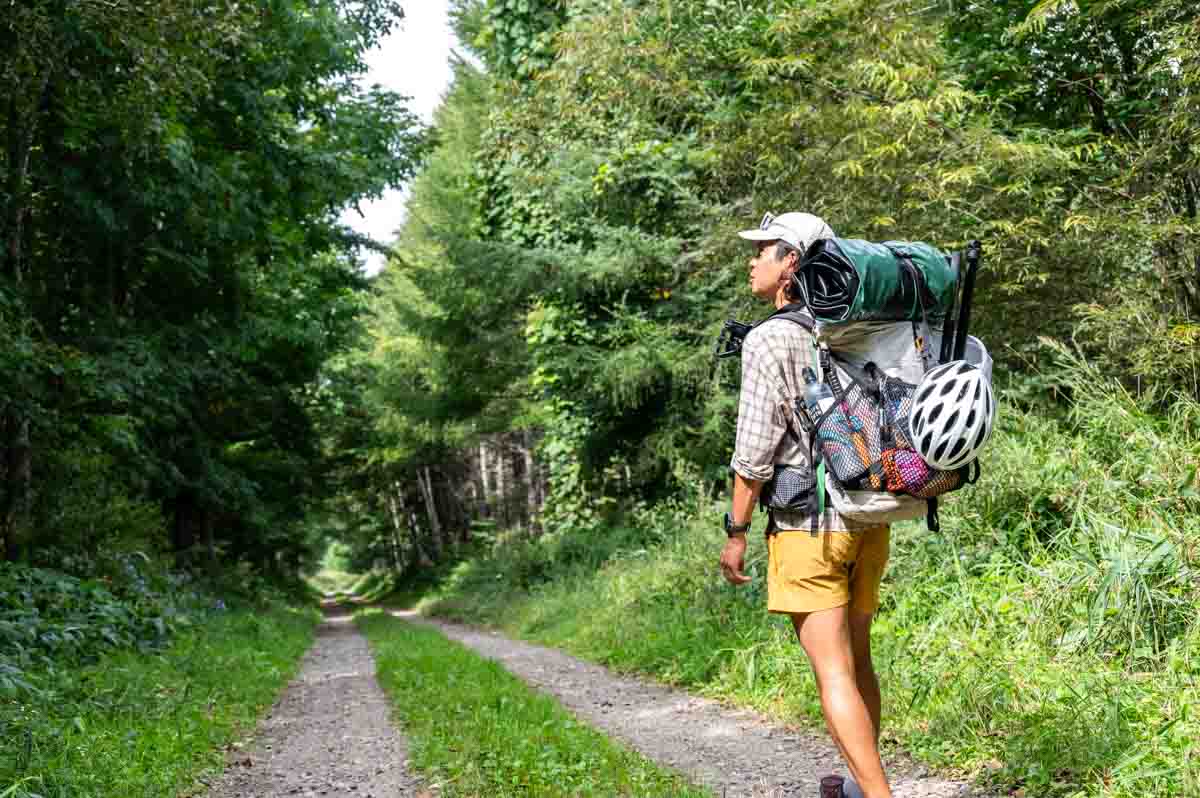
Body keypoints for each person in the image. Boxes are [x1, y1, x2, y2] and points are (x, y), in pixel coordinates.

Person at [719, 211, 892, 798]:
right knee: (859, 662)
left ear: (791, 262)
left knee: (833, 671)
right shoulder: (852, 324)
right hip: (869, 515)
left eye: (763, 250)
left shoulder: (771, 338)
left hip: (807, 528)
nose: (752, 260)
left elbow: (753, 453)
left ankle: (878, 795)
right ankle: (854, 784)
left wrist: (735, 529)